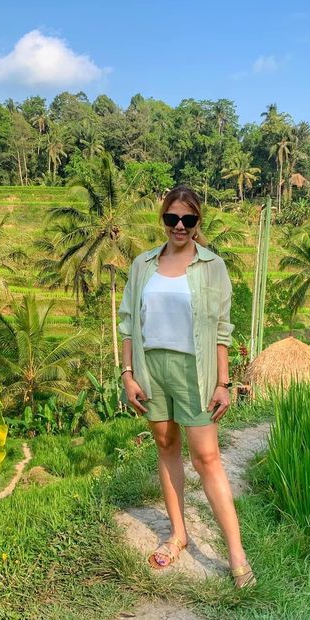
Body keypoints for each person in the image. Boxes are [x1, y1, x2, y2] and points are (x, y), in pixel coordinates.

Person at [117, 185, 255, 589]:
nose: (179, 226)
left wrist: (223, 382)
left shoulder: (212, 266)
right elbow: (128, 323)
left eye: (188, 220)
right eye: (172, 218)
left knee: (207, 457)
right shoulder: (143, 264)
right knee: (165, 446)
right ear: (163, 219)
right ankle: (178, 534)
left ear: (198, 223)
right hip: (150, 367)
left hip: (196, 371)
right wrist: (127, 374)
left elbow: (222, 330)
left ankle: (236, 553)